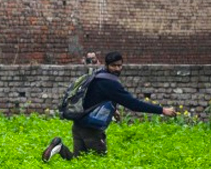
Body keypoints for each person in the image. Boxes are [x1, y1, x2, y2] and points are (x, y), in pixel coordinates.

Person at [42, 51, 175, 162]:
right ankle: (59, 148)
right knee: (100, 164)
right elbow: (133, 104)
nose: (117, 69)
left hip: (79, 124)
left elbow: (94, 99)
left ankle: (60, 148)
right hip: (92, 129)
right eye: (113, 66)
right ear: (107, 65)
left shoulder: (96, 76)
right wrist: (162, 110)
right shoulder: (111, 83)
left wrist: (113, 110)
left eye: (119, 65)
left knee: (79, 162)